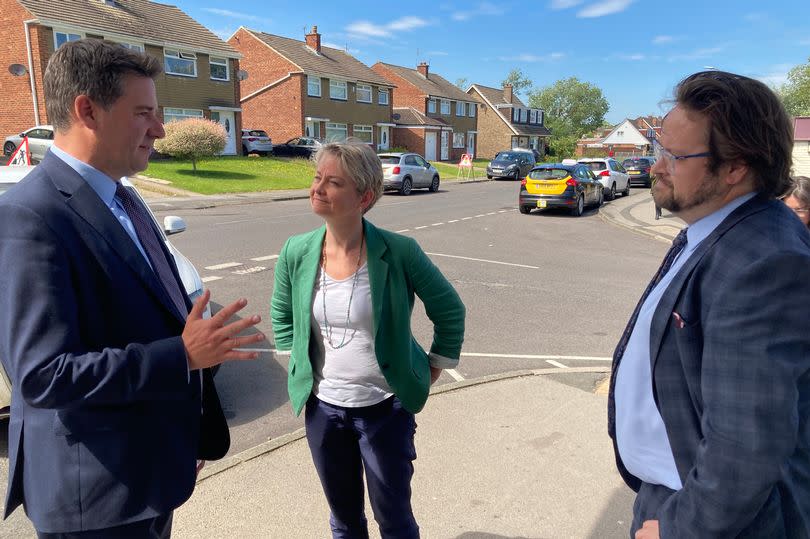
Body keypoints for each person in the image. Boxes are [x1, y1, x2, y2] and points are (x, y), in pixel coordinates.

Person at [0, 39, 265, 537]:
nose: (160, 130)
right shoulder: (30, 216)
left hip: (147, 473)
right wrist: (182, 355)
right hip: (98, 499)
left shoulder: (125, 197)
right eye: (144, 112)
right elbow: (42, 376)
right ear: (87, 111)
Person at [607, 70, 810, 538]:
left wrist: (678, 530)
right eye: (659, 148)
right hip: (670, 492)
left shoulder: (764, 262)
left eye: (674, 156)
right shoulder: (715, 228)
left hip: (711, 519)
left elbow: (747, 446)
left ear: (735, 167)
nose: (655, 166)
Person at [271, 139, 465, 538]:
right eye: (316, 177)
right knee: (343, 520)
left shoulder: (399, 251)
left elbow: (450, 310)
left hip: (384, 410)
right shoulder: (296, 251)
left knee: (393, 519)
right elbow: (282, 314)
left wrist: (433, 368)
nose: (318, 188)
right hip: (324, 410)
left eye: (334, 182)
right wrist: (299, 365)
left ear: (365, 195)